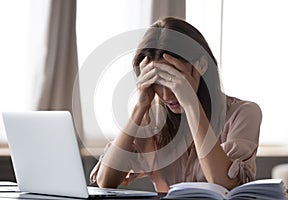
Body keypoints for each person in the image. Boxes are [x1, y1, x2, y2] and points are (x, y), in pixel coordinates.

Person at [89, 17, 262, 193]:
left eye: (172, 78)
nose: (165, 95)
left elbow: (225, 185)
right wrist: (140, 106)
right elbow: (105, 181)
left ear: (200, 65)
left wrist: (191, 104)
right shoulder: (153, 118)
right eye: (157, 82)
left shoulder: (243, 114)